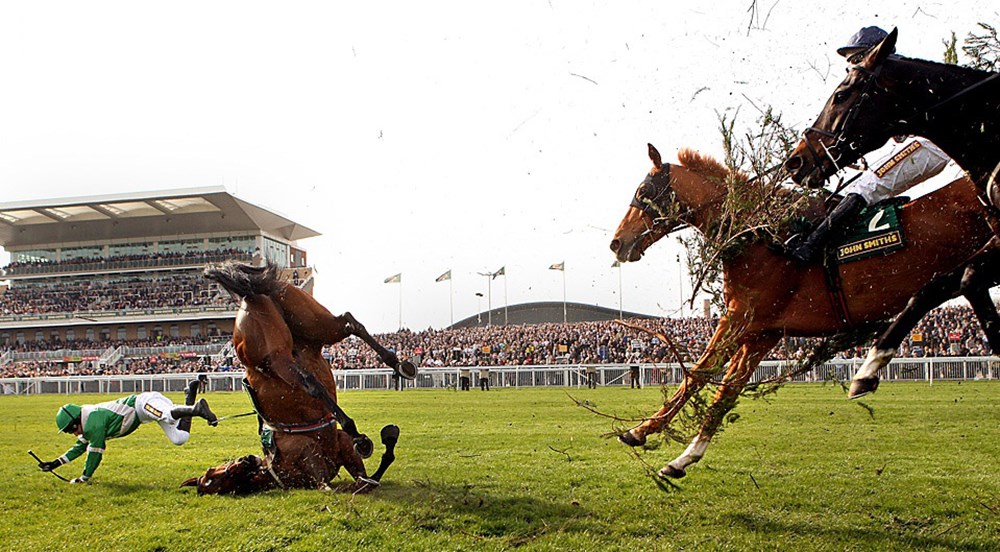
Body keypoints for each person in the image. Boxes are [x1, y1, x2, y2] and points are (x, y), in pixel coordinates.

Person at [786, 26, 962, 263]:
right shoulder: (889, 78)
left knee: (867, 186)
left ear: (875, 53)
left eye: (857, 59)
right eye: (850, 63)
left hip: (929, 143)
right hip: (929, 144)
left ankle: (810, 247)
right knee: (861, 182)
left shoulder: (891, 73)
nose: (852, 67)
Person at [36, 392, 217, 484]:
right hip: (144, 413)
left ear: (77, 420)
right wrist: (55, 463)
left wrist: (84, 478)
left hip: (143, 403)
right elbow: (79, 447)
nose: (74, 434)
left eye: (72, 429)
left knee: (169, 415)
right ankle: (190, 396)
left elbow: (94, 454)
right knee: (179, 438)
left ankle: (197, 409)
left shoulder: (93, 422)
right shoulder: (87, 421)